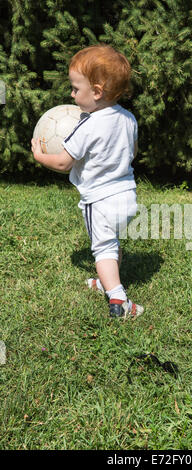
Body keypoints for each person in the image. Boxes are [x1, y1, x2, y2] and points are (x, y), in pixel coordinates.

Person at [31, 44, 144, 319]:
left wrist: (38, 155)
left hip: (99, 200)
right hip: (127, 197)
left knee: (103, 249)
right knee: (112, 241)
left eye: (75, 88)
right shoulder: (128, 119)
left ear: (96, 91)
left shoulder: (88, 125)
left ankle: (118, 300)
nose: (71, 94)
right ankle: (105, 281)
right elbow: (134, 152)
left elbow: (62, 162)